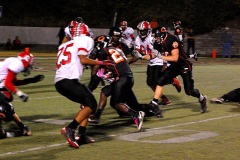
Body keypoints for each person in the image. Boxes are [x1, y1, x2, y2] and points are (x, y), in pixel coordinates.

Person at [54, 23, 115, 148]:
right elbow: (82, 59)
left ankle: (81, 134)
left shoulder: (65, 44)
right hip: (69, 80)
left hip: (59, 82)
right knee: (92, 104)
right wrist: (102, 62)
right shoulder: (85, 40)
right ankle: (70, 129)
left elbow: (74, 59)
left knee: (86, 103)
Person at [134, 27, 207, 115]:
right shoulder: (158, 43)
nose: (156, 39)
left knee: (189, 91)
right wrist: (141, 56)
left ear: (162, 35)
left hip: (183, 65)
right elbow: (152, 55)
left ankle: (202, 98)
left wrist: (161, 57)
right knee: (160, 80)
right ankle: (155, 103)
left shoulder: (172, 40)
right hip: (173, 66)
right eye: (155, 37)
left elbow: (175, 58)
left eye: (157, 37)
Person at [88, 35, 147, 129]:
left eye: (98, 45)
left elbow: (95, 70)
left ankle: (136, 115)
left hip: (122, 79)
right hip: (127, 77)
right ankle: (97, 116)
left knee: (115, 103)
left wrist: (94, 69)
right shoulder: (116, 50)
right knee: (104, 92)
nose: (96, 47)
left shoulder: (103, 51)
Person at [130, 21, 181, 105]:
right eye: (141, 31)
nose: (142, 32)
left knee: (157, 81)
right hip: (151, 61)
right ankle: (165, 98)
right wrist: (129, 62)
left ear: (148, 30)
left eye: (144, 30)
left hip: (159, 60)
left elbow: (163, 49)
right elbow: (138, 55)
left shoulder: (153, 38)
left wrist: (165, 63)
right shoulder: (138, 39)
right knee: (150, 83)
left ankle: (172, 81)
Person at [0, 51, 45, 139]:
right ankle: (19, 128)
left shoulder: (14, 62)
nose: (29, 67)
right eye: (29, 64)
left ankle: (21, 126)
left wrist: (30, 80)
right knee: (5, 106)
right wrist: (20, 94)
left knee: (7, 99)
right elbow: (8, 83)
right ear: (25, 61)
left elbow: (14, 82)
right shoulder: (18, 63)